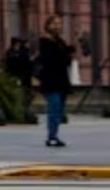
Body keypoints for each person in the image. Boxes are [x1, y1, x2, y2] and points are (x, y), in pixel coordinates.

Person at [37, 15, 74, 148]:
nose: (58, 26)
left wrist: (67, 52)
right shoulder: (45, 42)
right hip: (50, 80)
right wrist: (65, 53)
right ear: (48, 25)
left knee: (59, 110)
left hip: (62, 80)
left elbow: (66, 60)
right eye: (55, 23)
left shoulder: (60, 41)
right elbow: (51, 59)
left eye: (59, 23)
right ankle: (52, 137)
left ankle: (55, 134)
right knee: (54, 107)